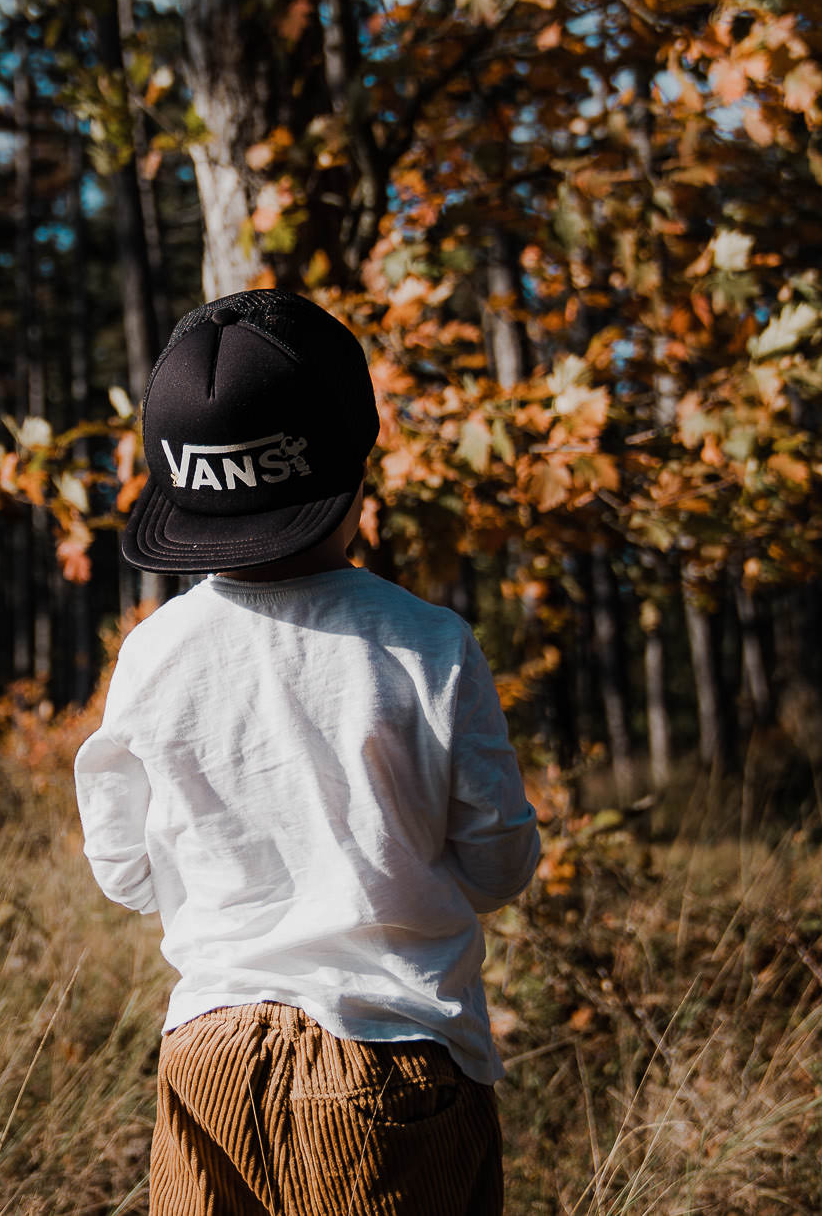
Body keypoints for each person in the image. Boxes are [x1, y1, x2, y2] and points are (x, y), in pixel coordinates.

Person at [74, 289, 542, 1216]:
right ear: (353, 471)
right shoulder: (426, 644)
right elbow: (499, 861)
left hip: (204, 1054)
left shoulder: (154, 654)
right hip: (393, 1058)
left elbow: (123, 872)